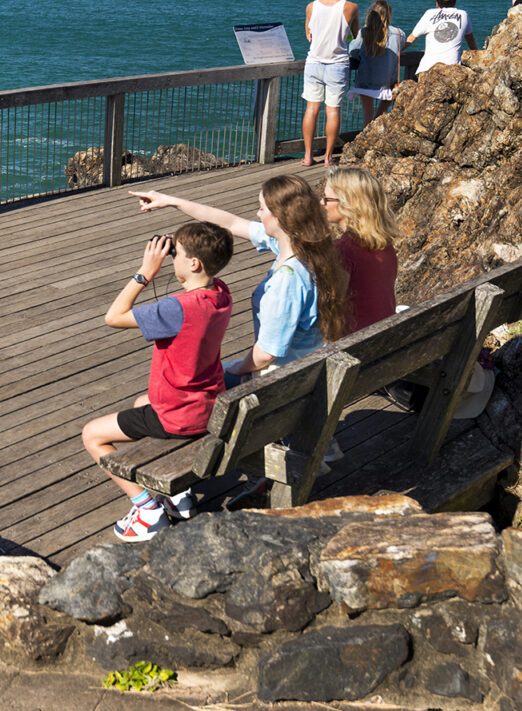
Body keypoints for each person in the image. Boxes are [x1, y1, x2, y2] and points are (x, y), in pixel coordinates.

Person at [81, 223, 234, 542]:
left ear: (194, 263)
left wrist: (144, 273)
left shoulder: (176, 308)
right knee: (141, 403)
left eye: (175, 253)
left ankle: (148, 511)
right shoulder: (220, 293)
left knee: (92, 435)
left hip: (179, 415)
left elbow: (114, 316)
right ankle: (178, 496)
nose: (170, 258)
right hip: (207, 403)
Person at [129, 175, 348, 383]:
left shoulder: (288, 280)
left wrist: (234, 369)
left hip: (281, 378)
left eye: (262, 209)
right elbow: (231, 223)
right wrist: (170, 201)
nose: (258, 214)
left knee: (179, 387)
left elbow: (266, 353)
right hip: (305, 367)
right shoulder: (307, 250)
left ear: (281, 216)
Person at [322, 168, 399, 334]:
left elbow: (332, 309)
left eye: (326, 199)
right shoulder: (383, 242)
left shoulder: (343, 251)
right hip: (386, 335)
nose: (322, 203)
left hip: (357, 345)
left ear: (346, 203)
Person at [302, 0, 360, 167]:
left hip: (314, 63)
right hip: (337, 64)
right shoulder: (351, 7)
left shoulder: (311, 6)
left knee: (311, 109)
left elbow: (309, 33)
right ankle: (328, 158)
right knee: (332, 111)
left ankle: (308, 156)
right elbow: (355, 33)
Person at [347, 0, 403, 127]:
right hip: (387, 83)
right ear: (388, 14)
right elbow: (400, 47)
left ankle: (367, 137)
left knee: (367, 113)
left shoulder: (363, 33)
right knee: (381, 113)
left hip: (366, 82)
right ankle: (376, 131)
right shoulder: (399, 33)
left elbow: (353, 51)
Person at [406, 0, 477, 74]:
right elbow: (471, 42)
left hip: (427, 70)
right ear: (455, 2)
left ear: (437, 3)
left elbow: (411, 38)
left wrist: (397, 51)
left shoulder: (429, 14)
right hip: (452, 71)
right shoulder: (463, 15)